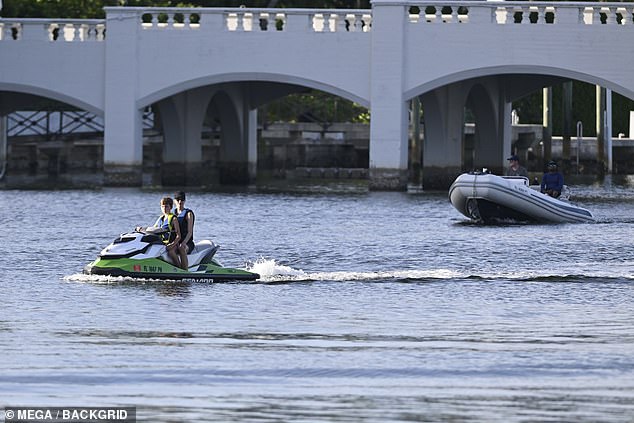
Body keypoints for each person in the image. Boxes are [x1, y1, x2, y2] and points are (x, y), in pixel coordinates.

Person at [136, 196, 184, 269]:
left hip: (172, 244)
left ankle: (179, 269)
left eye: (166, 206)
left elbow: (179, 236)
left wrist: (172, 245)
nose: (164, 208)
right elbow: (153, 230)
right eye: (162, 206)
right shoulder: (160, 218)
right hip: (161, 243)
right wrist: (141, 229)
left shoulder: (173, 218)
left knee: (170, 251)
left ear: (170, 207)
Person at [173, 191, 195, 270]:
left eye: (182, 199)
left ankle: (185, 271)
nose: (180, 202)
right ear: (174, 201)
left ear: (185, 201)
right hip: (176, 241)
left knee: (182, 248)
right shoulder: (173, 213)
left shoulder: (188, 213)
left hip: (187, 243)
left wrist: (184, 243)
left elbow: (190, 232)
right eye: (178, 199)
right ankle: (176, 268)